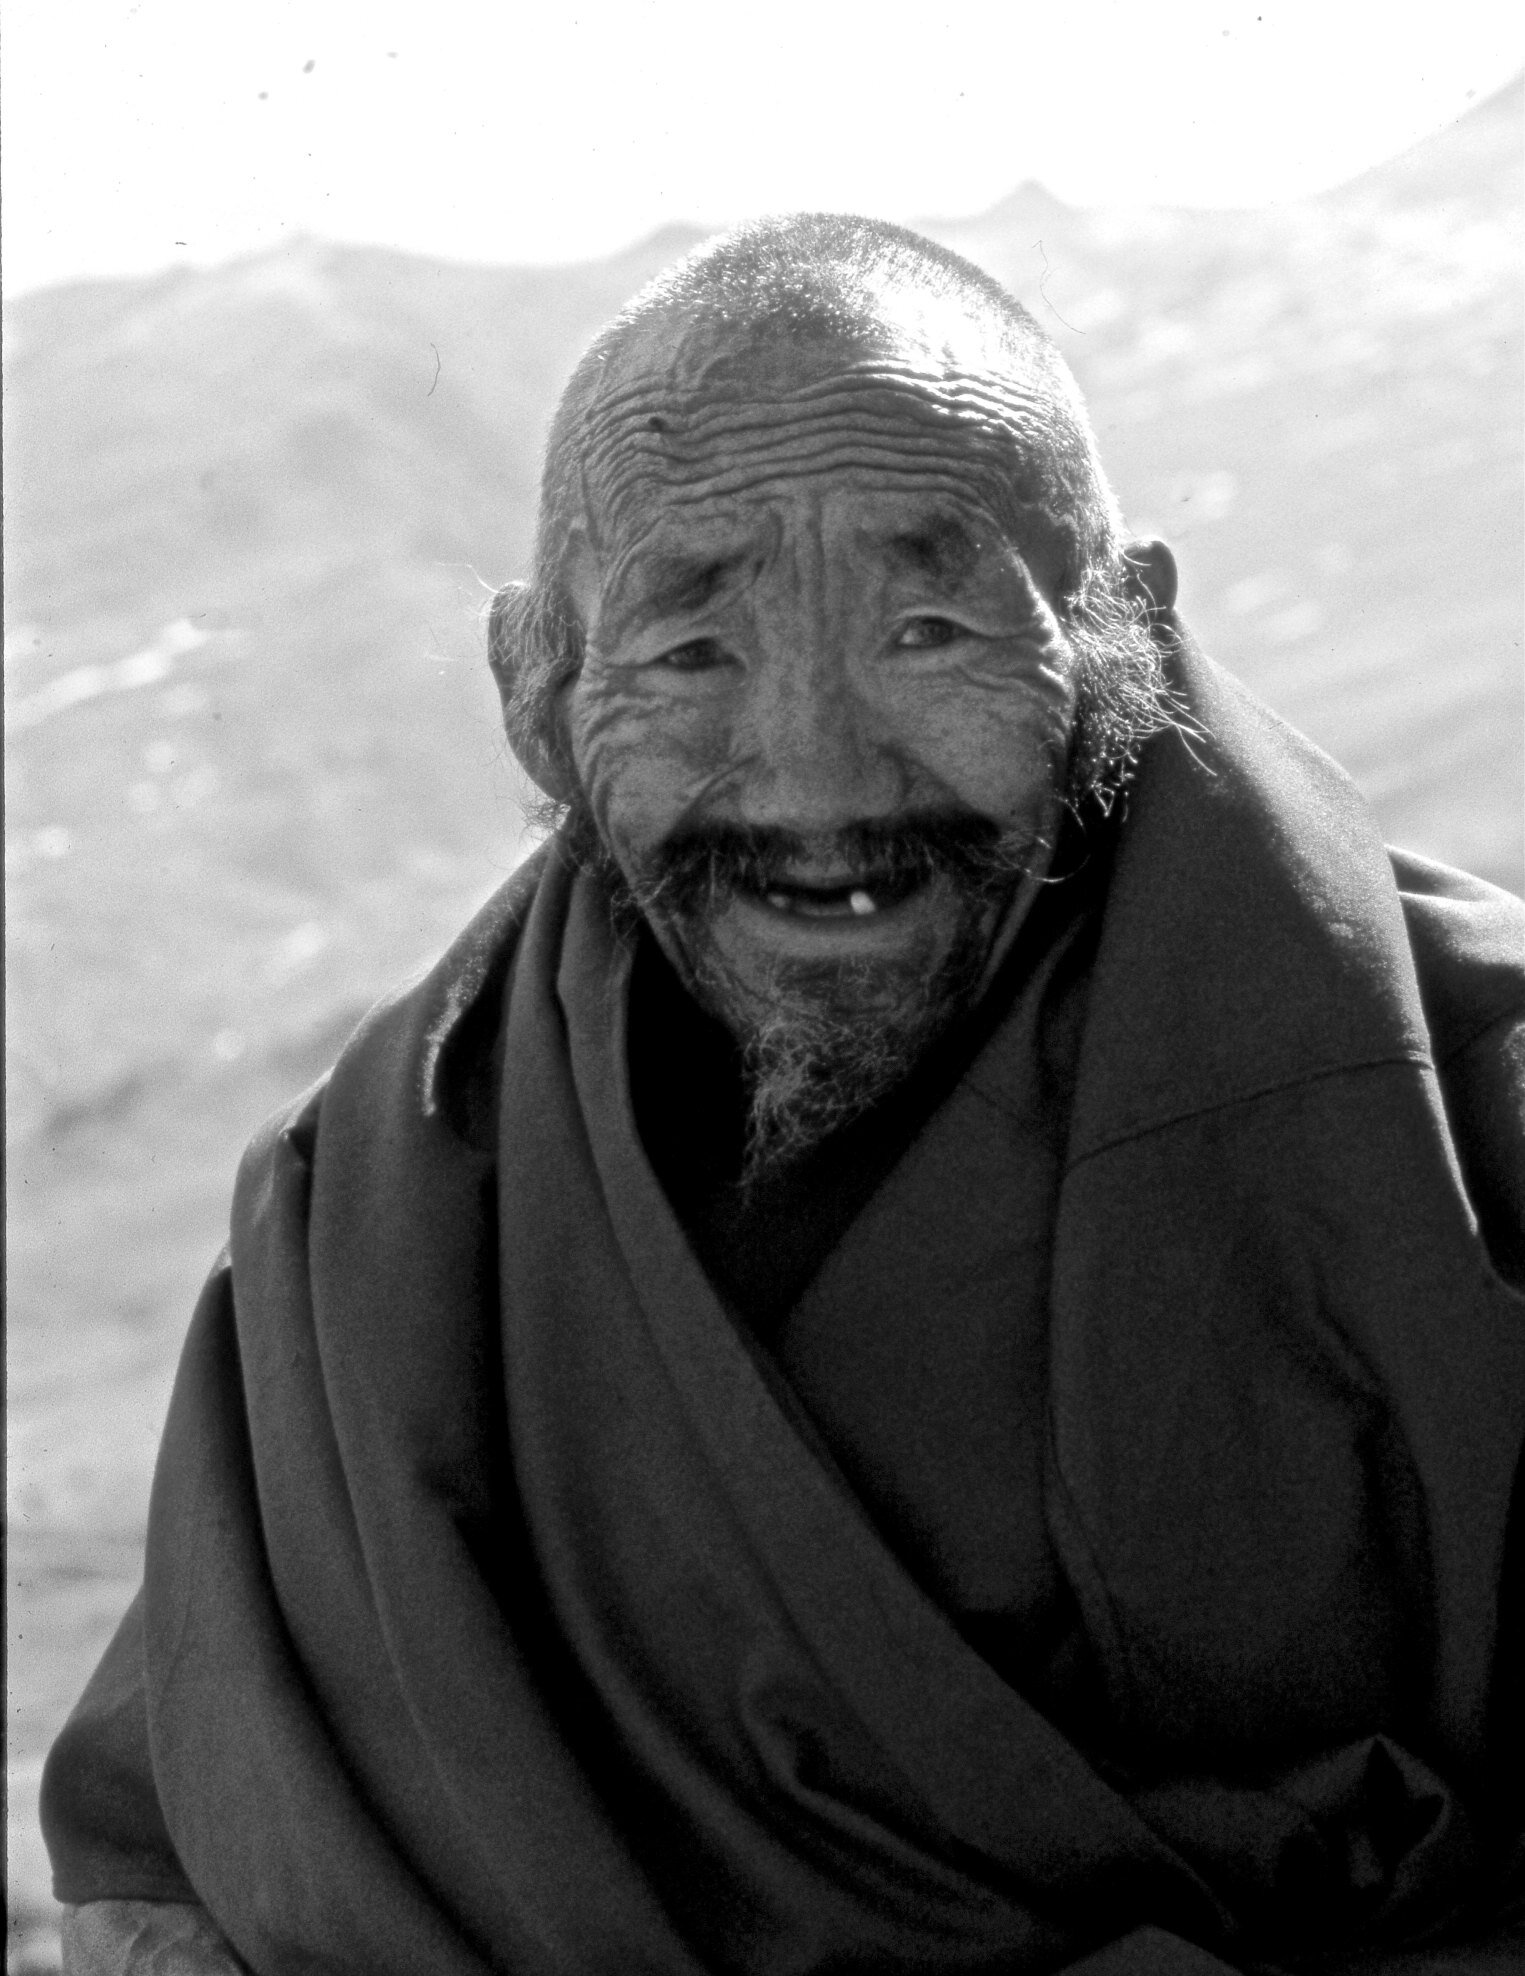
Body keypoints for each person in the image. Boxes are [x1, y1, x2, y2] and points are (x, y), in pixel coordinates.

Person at [42, 215, 1525, 1975]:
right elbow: (174, 1866)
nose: (817, 778)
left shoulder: (1464, 1118)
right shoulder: (379, 1211)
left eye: (926, 628)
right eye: (689, 656)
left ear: (1124, 628)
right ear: (532, 689)